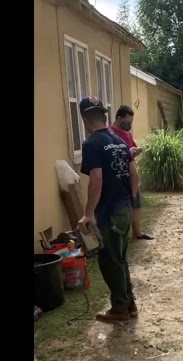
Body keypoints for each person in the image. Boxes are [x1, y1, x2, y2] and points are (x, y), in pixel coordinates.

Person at [77, 96, 138, 324]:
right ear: (104, 116)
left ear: (84, 119)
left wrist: (88, 213)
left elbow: (96, 180)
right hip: (124, 208)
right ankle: (129, 304)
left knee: (110, 261)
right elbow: (134, 176)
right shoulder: (119, 141)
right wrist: (129, 202)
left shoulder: (91, 144)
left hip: (110, 212)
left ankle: (120, 308)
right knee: (120, 259)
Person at [107, 105, 154, 240]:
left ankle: (137, 232)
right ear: (119, 118)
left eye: (131, 122)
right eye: (128, 122)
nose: (130, 125)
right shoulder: (109, 134)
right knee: (120, 206)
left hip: (131, 176)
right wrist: (129, 152)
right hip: (118, 177)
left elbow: (131, 151)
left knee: (136, 204)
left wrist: (136, 151)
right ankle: (119, 234)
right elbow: (112, 156)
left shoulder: (127, 134)